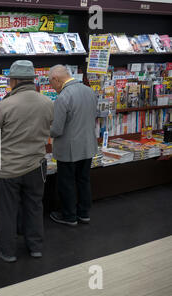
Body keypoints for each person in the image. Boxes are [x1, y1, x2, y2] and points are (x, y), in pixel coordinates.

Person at [0, 60, 54, 263]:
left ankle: (7, 250)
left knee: (8, 209)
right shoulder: (48, 102)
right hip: (36, 165)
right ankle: (36, 247)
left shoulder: (4, 105)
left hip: (9, 167)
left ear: (13, 81)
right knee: (34, 206)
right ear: (33, 79)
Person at [48, 65, 98, 226]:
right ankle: (84, 213)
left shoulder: (63, 97)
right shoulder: (89, 91)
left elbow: (56, 130)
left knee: (67, 182)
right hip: (88, 145)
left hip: (68, 149)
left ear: (56, 79)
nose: (51, 87)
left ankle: (69, 216)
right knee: (83, 180)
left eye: (51, 83)